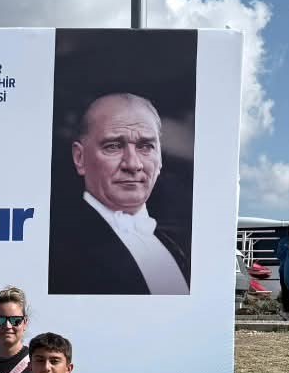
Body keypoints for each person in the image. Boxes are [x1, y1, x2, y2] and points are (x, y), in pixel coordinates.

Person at [47, 92, 190, 295]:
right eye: (113, 146)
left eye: (146, 146)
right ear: (79, 158)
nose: (133, 164)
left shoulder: (178, 246)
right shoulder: (59, 250)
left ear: (160, 158)